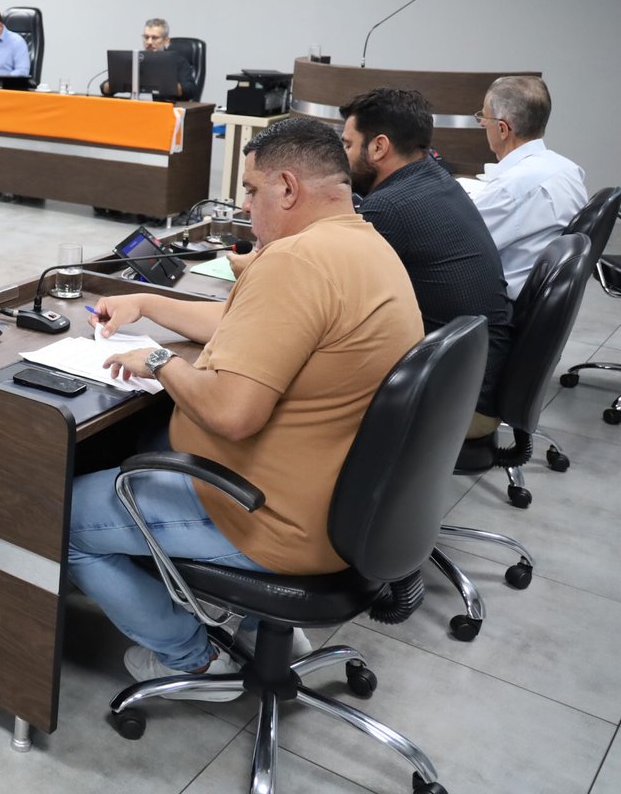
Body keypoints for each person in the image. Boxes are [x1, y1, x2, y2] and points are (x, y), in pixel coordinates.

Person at [68, 117, 421, 696]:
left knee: (60, 517)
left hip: (270, 518)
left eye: (253, 192)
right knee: (144, 443)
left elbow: (232, 415)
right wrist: (147, 303)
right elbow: (237, 323)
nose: (247, 208)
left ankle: (192, 658)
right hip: (342, 506)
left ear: (288, 188)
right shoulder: (362, 244)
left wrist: (158, 361)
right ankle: (260, 629)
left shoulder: (296, 261)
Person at [340, 88, 512, 438]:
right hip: (478, 374)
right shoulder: (435, 178)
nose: (342, 158)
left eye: (347, 145)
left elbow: (335, 295)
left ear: (379, 147)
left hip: (458, 401)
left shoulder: (388, 207)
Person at [470, 75, 588, 297]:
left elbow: (457, 246)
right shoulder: (569, 170)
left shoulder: (511, 189)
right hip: (541, 294)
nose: (483, 123)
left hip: (497, 302)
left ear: (503, 129)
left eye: (484, 117)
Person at [101, 18, 196, 98]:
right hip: (136, 108)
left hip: (164, 108)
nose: (149, 42)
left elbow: (191, 90)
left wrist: (168, 83)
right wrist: (112, 84)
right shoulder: (136, 60)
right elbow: (104, 88)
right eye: (146, 37)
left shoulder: (178, 61)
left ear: (166, 40)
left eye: (154, 38)